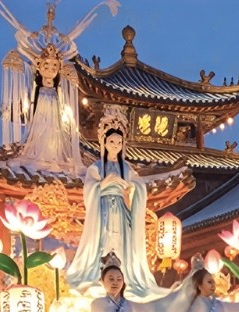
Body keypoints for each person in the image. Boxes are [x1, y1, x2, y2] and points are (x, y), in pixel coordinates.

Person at [65, 109, 156, 296]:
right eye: (112, 142)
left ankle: (122, 277)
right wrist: (105, 183)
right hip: (103, 210)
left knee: (121, 241)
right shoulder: (96, 167)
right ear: (104, 142)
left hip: (121, 210)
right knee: (103, 240)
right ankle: (100, 275)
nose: (115, 146)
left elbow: (138, 183)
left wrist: (130, 185)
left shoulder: (126, 167)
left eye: (119, 142)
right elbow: (90, 187)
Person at [13, 45, 83, 174]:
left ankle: (52, 154)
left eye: (54, 67)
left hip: (54, 111)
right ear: (39, 67)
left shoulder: (59, 91)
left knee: (54, 128)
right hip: (41, 105)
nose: (50, 70)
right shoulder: (36, 90)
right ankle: (40, 152)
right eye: (46, 67)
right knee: (40, 126)